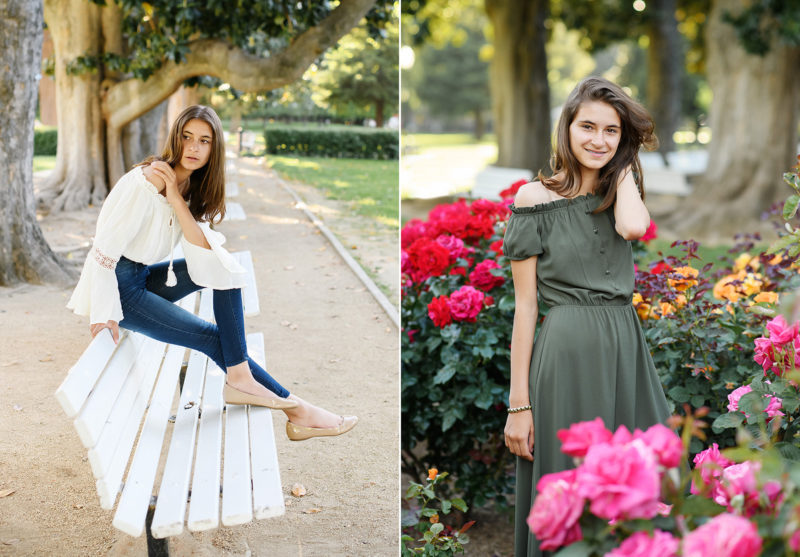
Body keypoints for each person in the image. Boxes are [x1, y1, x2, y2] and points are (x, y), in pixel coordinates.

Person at [67, 105, 357, 442]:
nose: (193, 148)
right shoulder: (146, 181)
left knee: (225, 268)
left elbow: (202, 249)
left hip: (140, 277)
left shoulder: (187, 185)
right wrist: (105, 311)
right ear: (175, 138)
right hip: (120, 291)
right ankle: (296, 408)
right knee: (211, 336)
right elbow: (104, 248)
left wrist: (176, 198)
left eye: (204, 141)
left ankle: (250, 384)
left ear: (214, 148)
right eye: (187, 137)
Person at [501, 77, 670, 556]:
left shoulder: (623, 188)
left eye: (612, 131)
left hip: (625, 345)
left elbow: (635, 227)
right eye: (588, 127)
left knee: (638, 483)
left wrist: (620, 172)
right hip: (567, 351)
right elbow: (526, 308)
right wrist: (519, 404)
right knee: (570, 484)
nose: (598, 140)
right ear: (567, 128)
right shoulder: (534, 198)